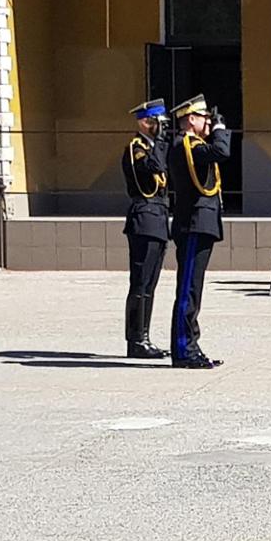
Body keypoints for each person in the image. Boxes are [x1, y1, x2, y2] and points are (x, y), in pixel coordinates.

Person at [164, 95, 230, 370]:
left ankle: (192, 344)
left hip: (201, 223)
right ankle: (183, 349)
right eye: (204, 117)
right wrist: (220, 131)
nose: (209, 122)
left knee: (194, 290)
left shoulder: (195, 146)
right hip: (192, 224)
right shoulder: (185, 146)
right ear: (191, 119)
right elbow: (222, 152)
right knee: (188, 289)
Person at [121, 99, 171, 359]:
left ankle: (144, 337)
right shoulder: (136, 148)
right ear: (144, 122)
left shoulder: (152, 147)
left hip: (158, 219)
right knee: (140, 283)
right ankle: (136, 340)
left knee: (150, 284)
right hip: (144, 218)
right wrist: (160, 143)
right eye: (156, 122)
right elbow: (155, 168)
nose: (160, 127)